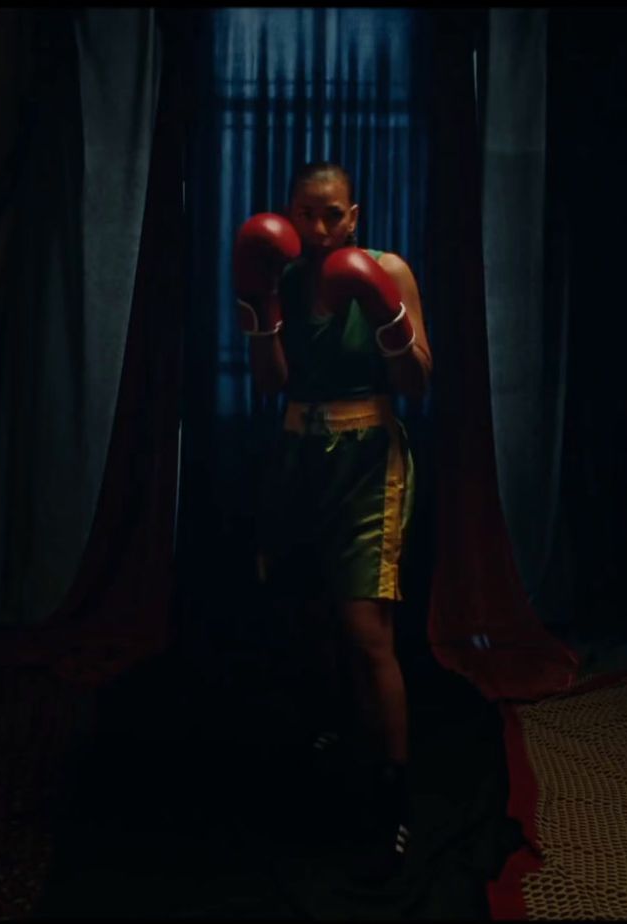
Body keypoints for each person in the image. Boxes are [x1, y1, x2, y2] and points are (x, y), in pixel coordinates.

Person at [231, 161, 434, 881]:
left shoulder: (386, 268)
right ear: (290, 212)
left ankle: (393, 794)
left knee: (364, 628)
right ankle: (335, 737)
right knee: (308, 611)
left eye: (332, 216)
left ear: (354, 216)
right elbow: (271, 382)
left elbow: (415, 382)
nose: (319, 230)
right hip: (295, 452)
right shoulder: (276, 270)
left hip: (367, 456)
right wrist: (258, 307)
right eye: (306, 215)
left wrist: (388, 315)